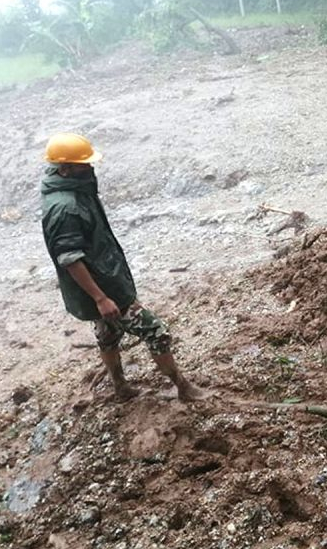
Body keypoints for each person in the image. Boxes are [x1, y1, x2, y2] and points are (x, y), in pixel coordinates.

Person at [40, 133, 208, 402]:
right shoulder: (65, 207)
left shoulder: (73, 189)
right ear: (65, 167)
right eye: (85, 164)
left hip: (100, 282)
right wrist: (101, 298)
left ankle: (120, 388)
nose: (91, 168)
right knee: (156, 332)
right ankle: (183, 387)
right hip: (102, 287)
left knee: (108, 335)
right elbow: (70, 258)